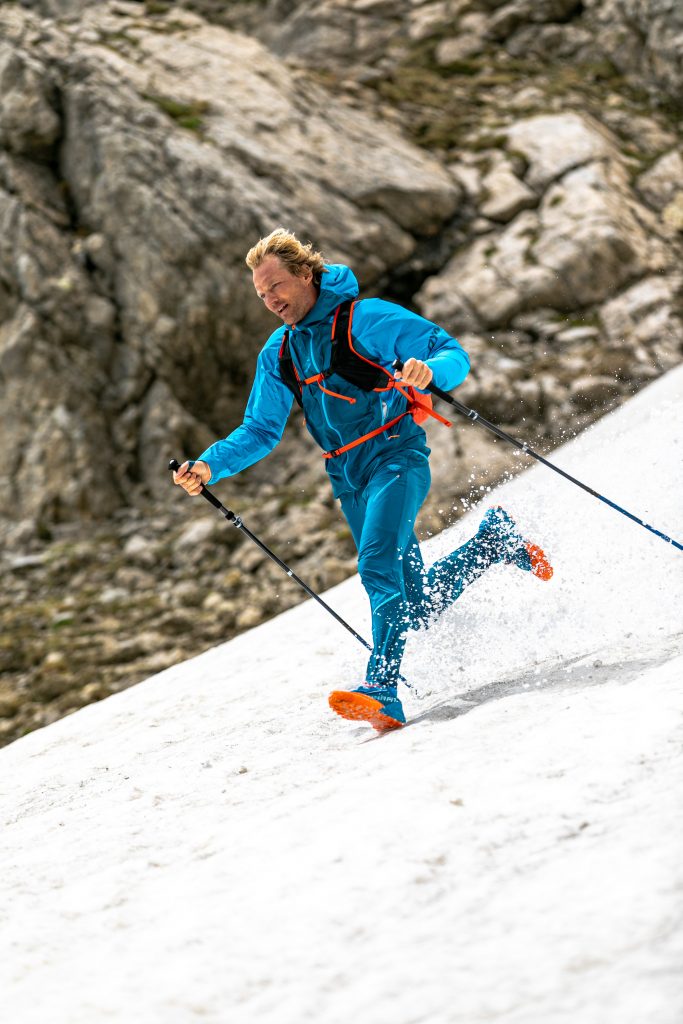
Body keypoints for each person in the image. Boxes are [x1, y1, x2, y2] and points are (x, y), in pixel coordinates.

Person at [174, 228, 552, 731]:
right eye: (262, 294)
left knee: (376, 564)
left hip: (395, 457)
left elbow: (450, 351)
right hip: (347, 477)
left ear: (306, 275)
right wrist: (207, 465)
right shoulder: (279, 352)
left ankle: (382, 688)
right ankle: (493, 543)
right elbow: (261, 430)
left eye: (277, 287)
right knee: (415, 604)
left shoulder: (365, 318)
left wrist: (428, 370)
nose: (271, 300)